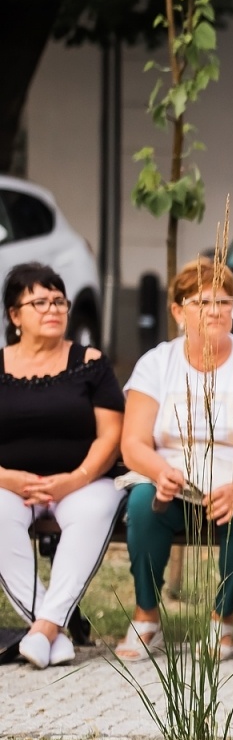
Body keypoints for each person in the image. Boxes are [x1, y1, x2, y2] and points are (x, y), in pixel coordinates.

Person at [117, 259, 233, 661]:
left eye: (224, 301)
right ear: (178, 311)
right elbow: (133, 444)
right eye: (203, 302)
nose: (216, 310)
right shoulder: (156, 363)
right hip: (177, 483)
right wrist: (160, 473)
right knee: (144, 504)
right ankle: (147, 614)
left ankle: (222, 619)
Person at [0, 264, 125, 668]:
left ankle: (43, 631)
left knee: (93, 511)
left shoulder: (90, 363)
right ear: (15, 316)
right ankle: (51, 631)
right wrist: (8, 478)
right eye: (40, 302)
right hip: (9, 483)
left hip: (84, 481)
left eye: (59, 301)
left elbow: (110, 435)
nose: (53, 309)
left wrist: (76, 479)